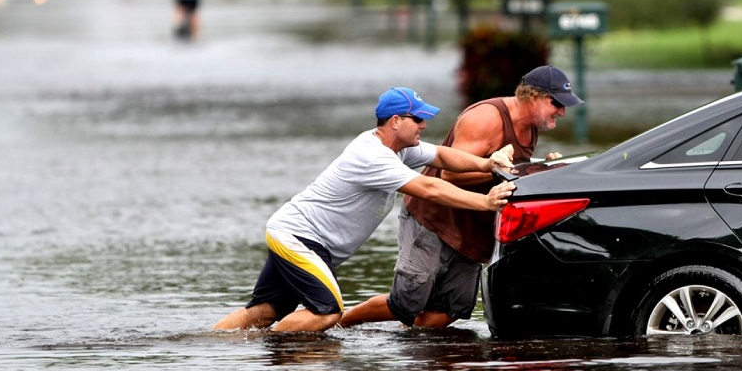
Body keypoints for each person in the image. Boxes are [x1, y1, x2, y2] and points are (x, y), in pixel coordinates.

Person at [213, 87, 517, 332]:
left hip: (297, 235)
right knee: (327, 312)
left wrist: (487, 163)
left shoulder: (398, 148)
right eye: (418, 119)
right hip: (298, 236)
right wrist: (485, 202)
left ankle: (210, 344)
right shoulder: (372, 155)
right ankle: (273, 356)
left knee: (265, 312)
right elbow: (429, 188)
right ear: (396, 121)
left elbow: (442, 156)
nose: (424, 125)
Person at [339, 65, 583, 330]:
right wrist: (514, 171)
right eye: (556, 103)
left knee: (450, 310)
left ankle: (408, 349)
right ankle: (339, 323)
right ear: (533, 97)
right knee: (406, 302)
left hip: (471, 224)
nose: (562, 111)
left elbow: (512, 171)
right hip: (433, 218)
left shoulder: (530, 125)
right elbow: (450, 176)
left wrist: (540, 168)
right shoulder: (486, 118)